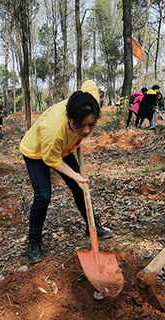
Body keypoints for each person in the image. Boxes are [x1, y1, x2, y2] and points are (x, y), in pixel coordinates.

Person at [19, 80, 112, 263]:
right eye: (80, 126)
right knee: (43, 195)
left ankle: (93, 227)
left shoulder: (89, 101)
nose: (86, 131)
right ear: (69, 118)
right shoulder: (53, 131)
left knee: (79, 189)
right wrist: (76, 175)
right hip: (36, 152)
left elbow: (89, 83)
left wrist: (77, 179)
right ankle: (34, 242)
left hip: (64, 149)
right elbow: (51, 160)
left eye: (91, 125)